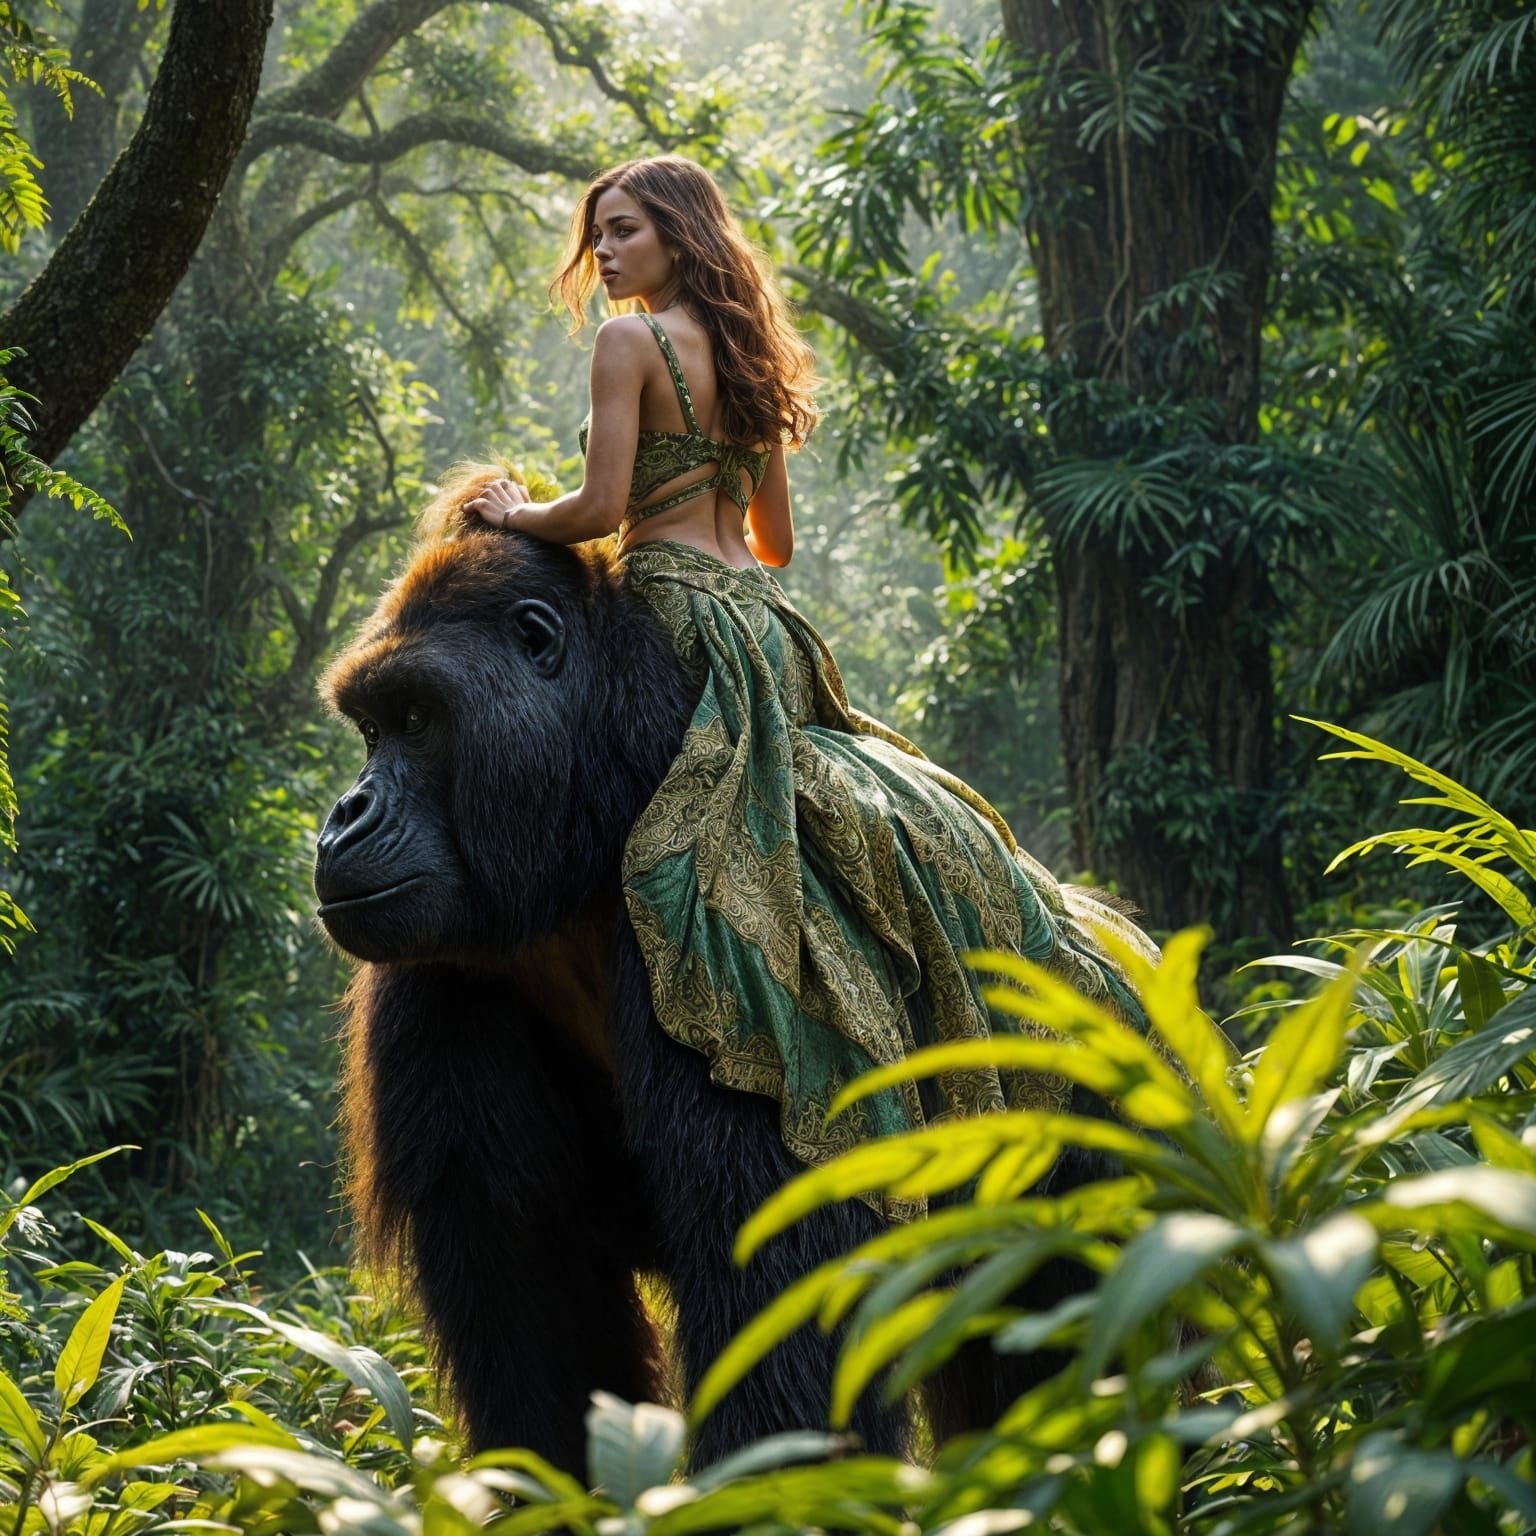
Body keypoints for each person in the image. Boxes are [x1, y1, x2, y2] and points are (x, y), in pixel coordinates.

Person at [463, 155, 1158, 1216]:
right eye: (596, 234)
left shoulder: (629, 341)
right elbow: (773, 542)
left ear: (679, 237)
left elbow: (602, 508)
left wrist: (517, 514)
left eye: (624, 231)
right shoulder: (750, 354)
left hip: (679, 618)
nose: (602, 252)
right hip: (772, 627)